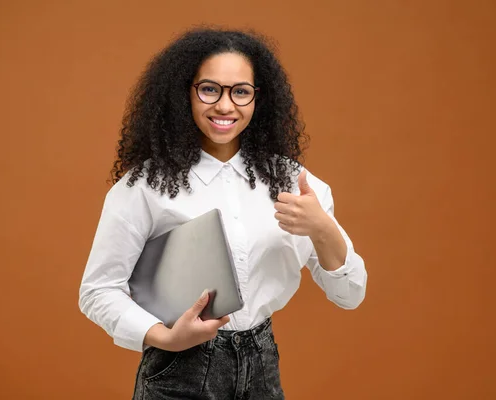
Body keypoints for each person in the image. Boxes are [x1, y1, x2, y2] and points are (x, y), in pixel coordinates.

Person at [78, 27, 368, 400]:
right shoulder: (145, 186)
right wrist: (163, 336)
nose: (225, 106)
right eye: (210, 89)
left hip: (261, 364)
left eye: (241, 92)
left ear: (258, 100)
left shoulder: (296, 184)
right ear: (186, 93)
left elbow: (350, 295)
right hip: (179, 368)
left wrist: (322, 228)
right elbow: (98, 290)